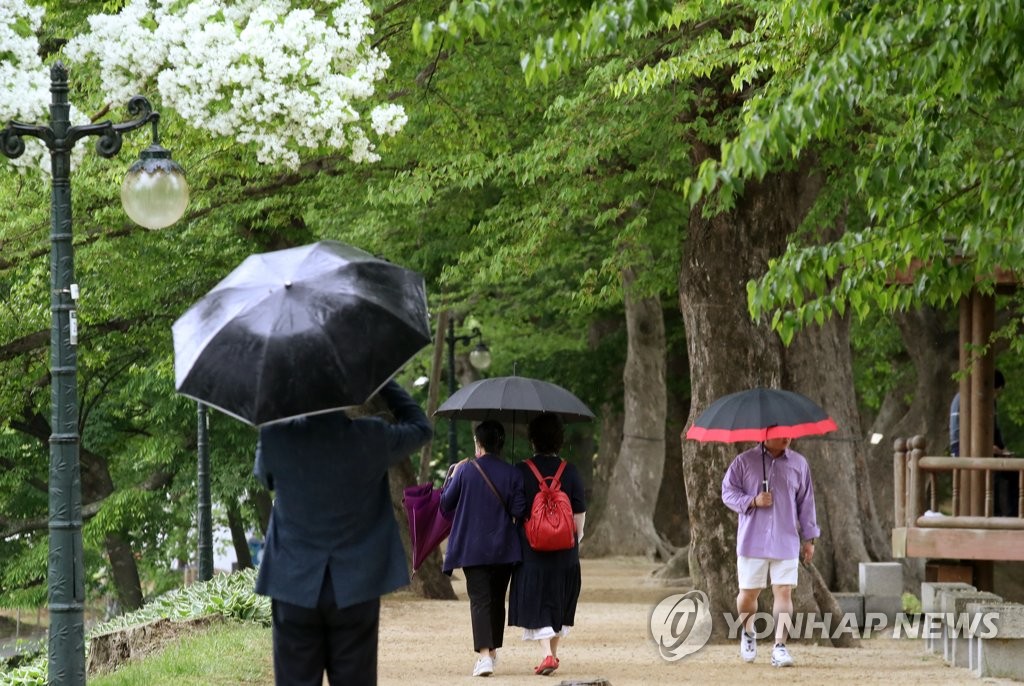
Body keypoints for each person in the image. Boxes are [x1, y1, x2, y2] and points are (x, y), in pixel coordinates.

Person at [253, 379, 432, 686]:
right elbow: (421, 428)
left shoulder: (276, 436)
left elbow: (263, 475)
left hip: (293, 584)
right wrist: (384, 384)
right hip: (355, 585)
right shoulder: (372, 436)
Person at [721, 436, 820, 669]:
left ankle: (779, 646)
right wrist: (752, 500)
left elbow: (807, 502)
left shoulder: (799, 464)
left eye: (789, 433)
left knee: (784, 591)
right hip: (752, 540)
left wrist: (810, 538)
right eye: (780, 432)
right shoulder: (743, 462)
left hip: (786, 539)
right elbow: (727, 492)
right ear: (765, 434)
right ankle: (747, 631)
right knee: (748, 595)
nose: (787, 437)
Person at [440, 420, 527, 677]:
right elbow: (519, 511)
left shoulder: (465, 470)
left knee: (480, 600)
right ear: (500, 444)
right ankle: (492, 652)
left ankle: (485, 657)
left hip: (472, 548)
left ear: (479, 443)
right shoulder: (513, 473)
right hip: (504, 548)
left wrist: (453, 475)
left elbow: (445, 504)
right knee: (497, 600)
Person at [508, 412, 587, 677]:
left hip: (533, 551)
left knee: (537, 600)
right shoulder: (571, 470)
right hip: (566, 551)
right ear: (559, 440)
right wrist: (576, 539)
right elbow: (579, 513)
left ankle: (546, 654)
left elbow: (516, 509)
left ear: (532, 440)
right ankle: (552, 654)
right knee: (559, 602)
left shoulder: (521, 470)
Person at [949, 369, 1018, 516]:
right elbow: (965, 433)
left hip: (985, 446)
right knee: (994, 476)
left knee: (1014, 472)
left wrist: (1003, 449)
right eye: (996, 391)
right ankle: (998, 515)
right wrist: (989, 448)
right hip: (963, 446)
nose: (996, 395)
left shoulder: (989, 402)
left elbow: (994, 430)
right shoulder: (968, 399)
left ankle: (1011, 515)